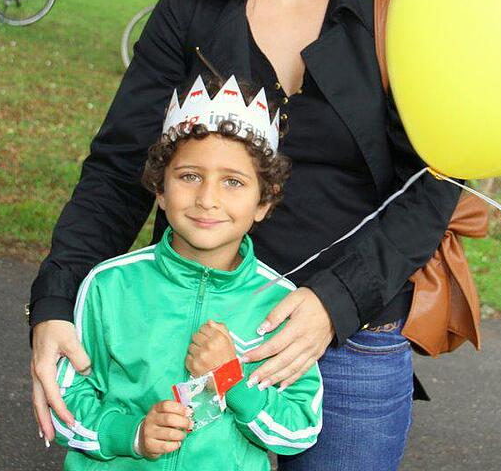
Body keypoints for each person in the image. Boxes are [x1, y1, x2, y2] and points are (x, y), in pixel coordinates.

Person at [29, 0, 461, 471]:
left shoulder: (400, 20)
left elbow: (435, 184)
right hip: (183, 338)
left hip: (345, 347)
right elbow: (117, 169)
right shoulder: (192, 5)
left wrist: (333, 305)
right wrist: (54, 303)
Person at [50, 75, 321, 469]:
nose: (207, 199)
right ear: (160, 190)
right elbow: (64, 404)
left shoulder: (279, 304)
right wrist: (132, 435)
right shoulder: (109, 286)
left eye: (233, 181)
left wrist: (231, 379)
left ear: (263, 202)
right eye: (189, 176)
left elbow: (300, 430)